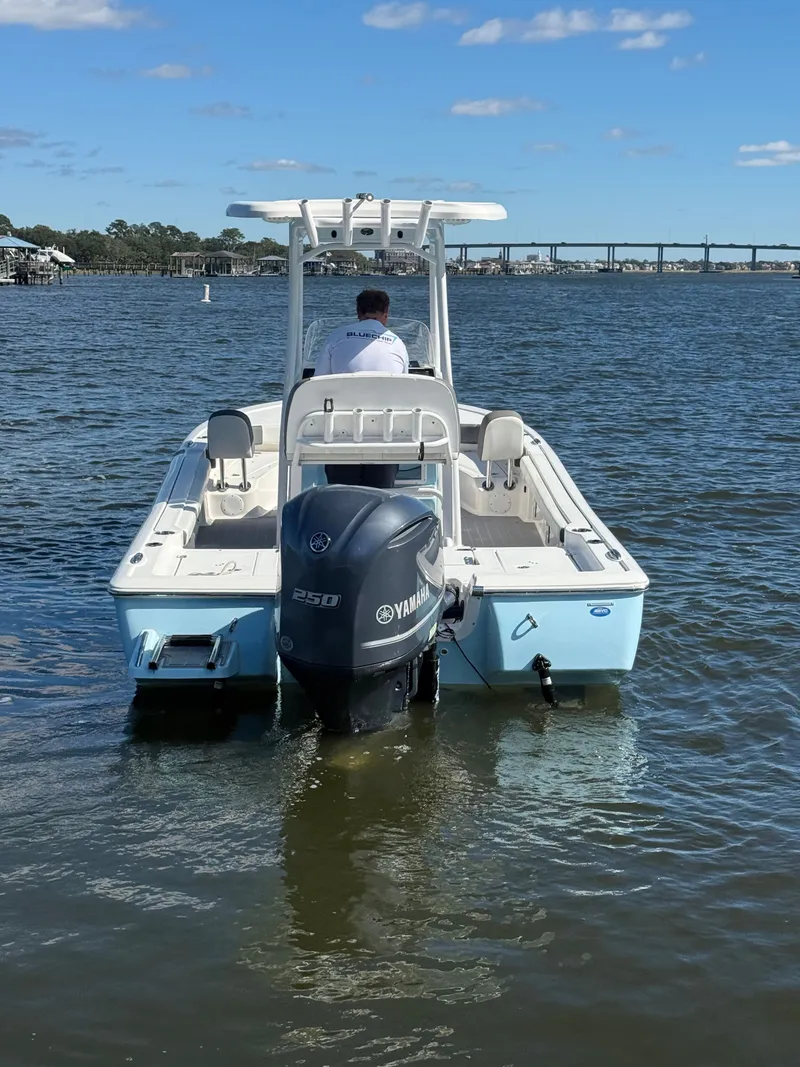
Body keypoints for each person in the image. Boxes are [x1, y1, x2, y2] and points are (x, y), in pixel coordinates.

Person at [315, 289, 408, 490]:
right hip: (384, 433)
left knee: (342, 493)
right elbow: (404, 392)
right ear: (386, 314)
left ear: (358, 312)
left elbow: (318, 384)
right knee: (379, 494)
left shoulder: (336, 337)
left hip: (341, 433)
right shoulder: (398, 344)